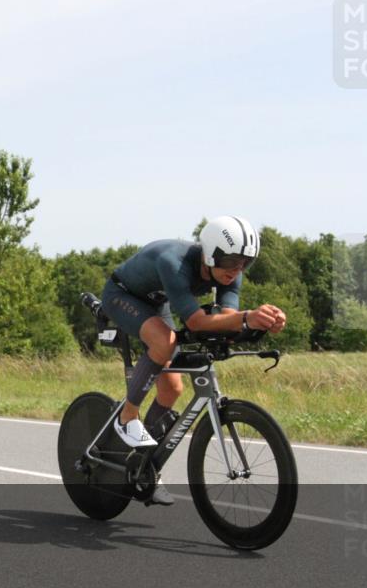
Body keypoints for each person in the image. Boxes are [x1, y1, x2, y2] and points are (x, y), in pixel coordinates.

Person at [100, 216, 286, 505]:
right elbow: (198, 323)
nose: (237, 270)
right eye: (232, 261)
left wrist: (263, 324)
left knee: (172, 389)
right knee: (165, 342)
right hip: (121, 295)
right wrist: (248, 316)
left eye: (245, 263)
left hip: (156, 303)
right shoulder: (173, 262)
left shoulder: (230, 273)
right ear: (211, 253)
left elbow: (226, 321)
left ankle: (142, 464)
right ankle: (128, 417)